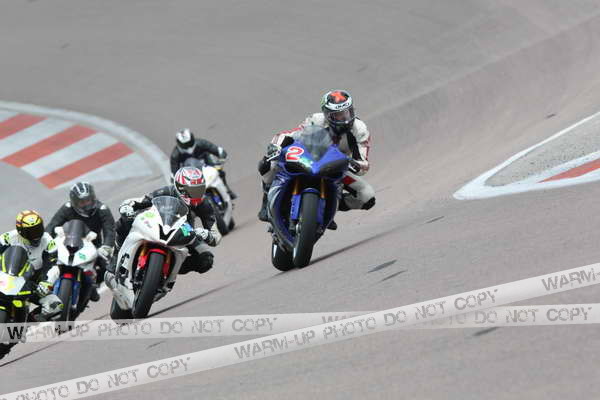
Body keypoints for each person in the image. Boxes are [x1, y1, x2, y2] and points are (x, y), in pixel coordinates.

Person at [257, 90, 375, 228]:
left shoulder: (360, 129)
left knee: (367, 196)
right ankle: (266, 200)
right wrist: (276, 144)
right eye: (338, 115)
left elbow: (364, 164)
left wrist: (355, 165)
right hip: (309, 159)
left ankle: (329, 208)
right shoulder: (316, 120)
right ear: (327, 115)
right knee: (268, 163)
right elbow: (292, 134)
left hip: (336, 166)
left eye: (347, 112)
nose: (344, 118)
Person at [110, 166, 221, 276]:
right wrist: (127, 206)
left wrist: (207, 235)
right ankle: (115, 257)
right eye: (194, 190)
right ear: (181, 188)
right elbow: (141, 200)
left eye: (200, 190)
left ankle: (169, 269)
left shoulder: (204, 204)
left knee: (206, 260)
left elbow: (216, 236)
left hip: (185, 230)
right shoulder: (167, 191)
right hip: (157, 222)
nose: (198, 194)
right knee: (126, 220)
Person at [46, 182, 115, 302]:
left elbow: (110, 231)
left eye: (88, 200)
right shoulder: (67, 208)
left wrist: (106, 246)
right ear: (74, 202)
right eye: (82, 202)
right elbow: (52, 226)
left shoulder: (102, 210)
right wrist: (46, 240)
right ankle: (44, 285)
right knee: (46, 259)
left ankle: (93, 286)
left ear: (93, 197)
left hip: (93, 245)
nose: (86, 204)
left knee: (108, 267)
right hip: (67, 242)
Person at [0, 210, 63, 321]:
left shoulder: (48, 241)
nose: (36, 236)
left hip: (32, 284)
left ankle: (29, 322)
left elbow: (52, 265)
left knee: (56, 306)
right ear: (20, 231)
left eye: (38, 230)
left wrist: (46, 282)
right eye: (30, 232)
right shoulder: (7, 238)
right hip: (6, 279)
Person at [170, 128, 237, 199]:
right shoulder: (175, 155)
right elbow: (174, 173)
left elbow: (217, 150)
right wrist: (177, 183)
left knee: (220, 172)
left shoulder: (201, 143)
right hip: (191, 174)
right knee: (186, 194)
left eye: (189, 143)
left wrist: (221, 158)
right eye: (184, 145)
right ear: (179, 144)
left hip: (207, 164)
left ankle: (227, 190)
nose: (188, 147)